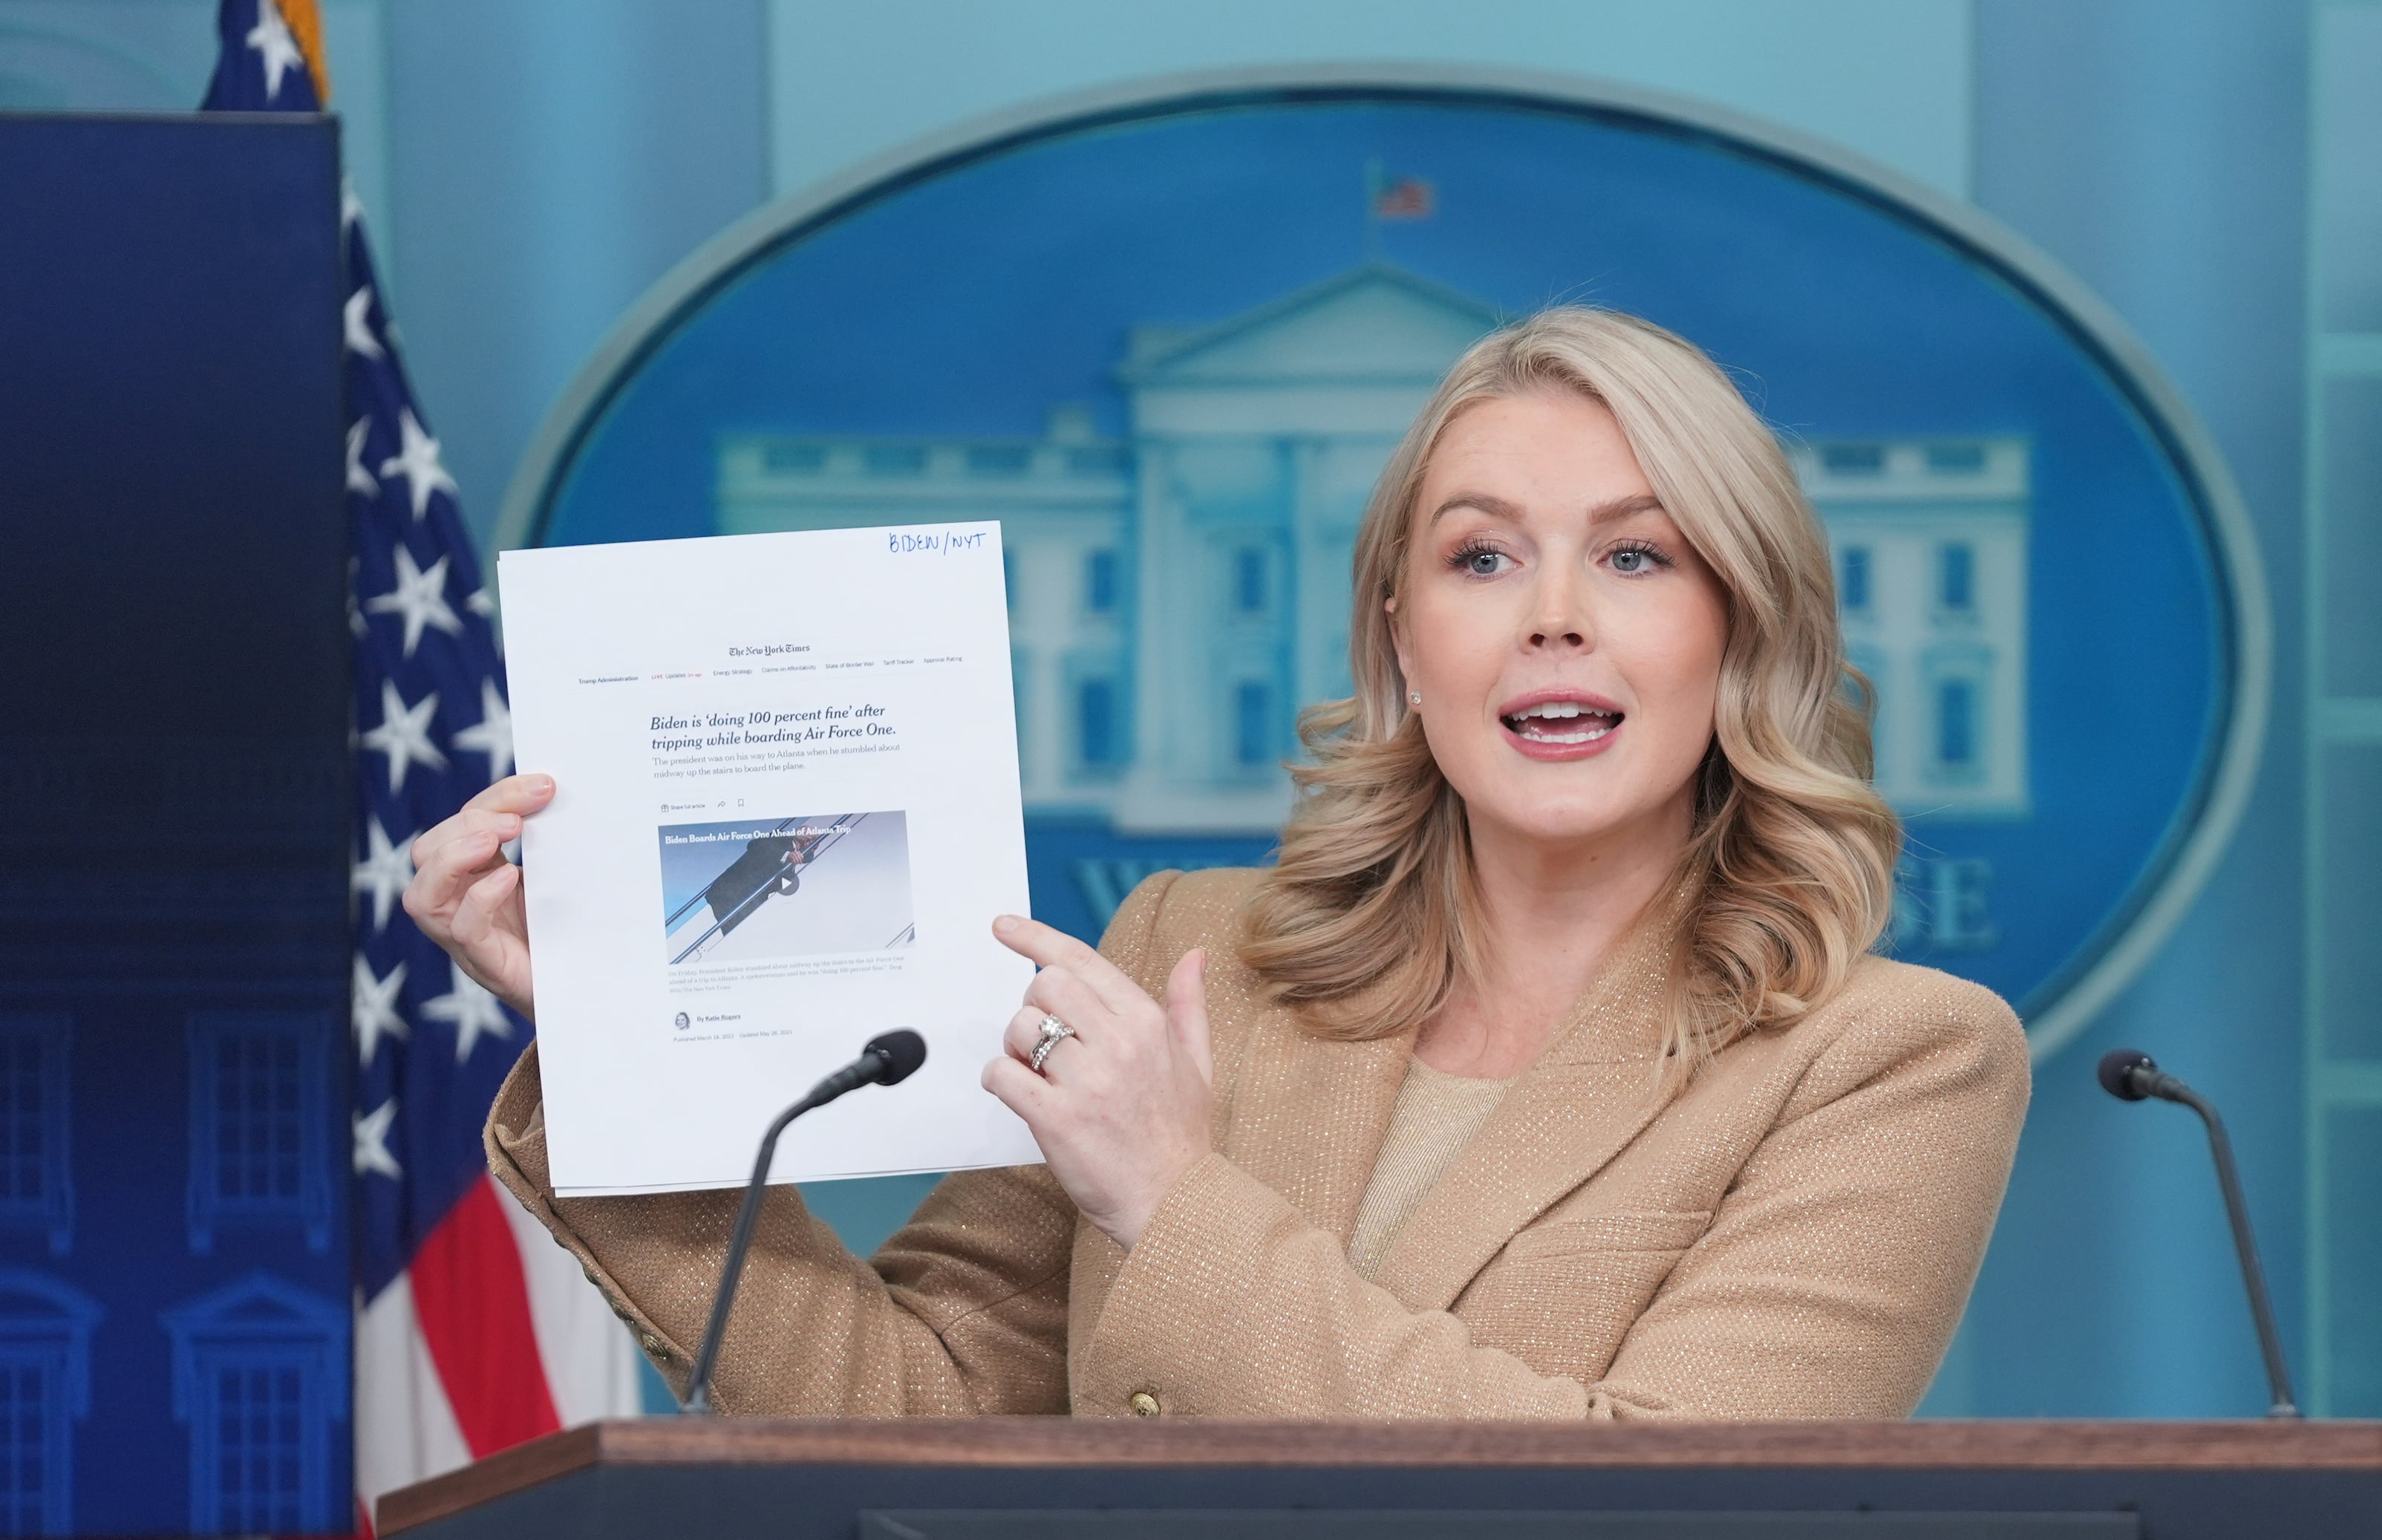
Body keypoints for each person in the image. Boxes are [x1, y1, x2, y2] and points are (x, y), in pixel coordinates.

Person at [405, 307, 2030, 1420]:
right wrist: (626, 1033)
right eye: (1480, 554)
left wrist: (1171, 1200)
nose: (1555, 612)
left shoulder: (1896, 1061)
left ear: (1735, 621)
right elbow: (923, 1405)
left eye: (1634, 553)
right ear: (1402, 636)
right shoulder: (1190, 954)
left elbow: (1669, 1508)